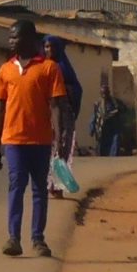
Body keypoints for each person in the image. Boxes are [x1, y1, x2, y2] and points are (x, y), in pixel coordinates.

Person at [0, 18, 64, 258]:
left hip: (41, 141)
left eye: (15, 37)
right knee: (16, 186)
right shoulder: (5, 70)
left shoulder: (49, 68)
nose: (11, 41)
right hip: (13, 141)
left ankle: (38, 239)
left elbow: (56, 105)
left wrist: (59, 138)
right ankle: (13, 238)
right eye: (10, 37)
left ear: (30, 39)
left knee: (39, 190)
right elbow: (0, 109)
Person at [46, 36, 82, 189]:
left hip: (64, 113)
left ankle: (60, 184)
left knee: (63, 148)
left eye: (52, 47)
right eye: (46, 46)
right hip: (46, 114)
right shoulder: (42, 67)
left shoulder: (64, 68)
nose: (49, 50)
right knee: (47, 149)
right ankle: (49, 184)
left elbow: (77, 90)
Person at [90, 82, 130, 157]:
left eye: (106, 93)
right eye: (103, 93)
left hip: (114, 128)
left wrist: (118, 111)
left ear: (109, 93)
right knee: (102, 147)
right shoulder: (97, 104)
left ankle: (113, 160)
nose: (104, 95)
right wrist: (92, 129)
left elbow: (124, 109)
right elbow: (94, 116)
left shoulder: (116, 102)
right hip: (103, 129)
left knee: (115, 144)